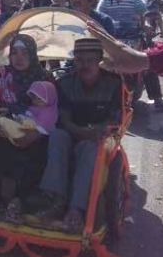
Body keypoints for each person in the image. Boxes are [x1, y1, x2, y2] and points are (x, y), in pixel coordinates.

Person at [33, 38, 122, 233]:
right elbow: (63, 118)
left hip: (99, 135)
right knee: (57, 136)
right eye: (80, 60)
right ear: (74, 59)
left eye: (90, 60)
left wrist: (95, 131)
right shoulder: (65, 83)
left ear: (99, 59)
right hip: (73, 130)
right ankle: (56, 200)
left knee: (91, 147)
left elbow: (114, 118)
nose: (85, 65)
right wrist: (80, 131)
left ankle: (76, 209)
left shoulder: (113, 83)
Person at [0, 34, 54, 222]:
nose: (19, 58)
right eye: (14, 52)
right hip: (4, 130)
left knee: (39, 151)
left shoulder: (45, 79)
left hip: (35, 133)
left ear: (33, 55)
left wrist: (35, 134)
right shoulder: (1, 75)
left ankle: (19, 201)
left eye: (24, 53)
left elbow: (53, 111)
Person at [97, 0, 163, 111]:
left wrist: (147, 26)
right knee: (100, 64)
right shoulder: (105, 0)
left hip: (134, 36)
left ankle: (157, 98)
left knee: (149, 62)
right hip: (113, 38)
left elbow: (145, 16)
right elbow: (99, 18)